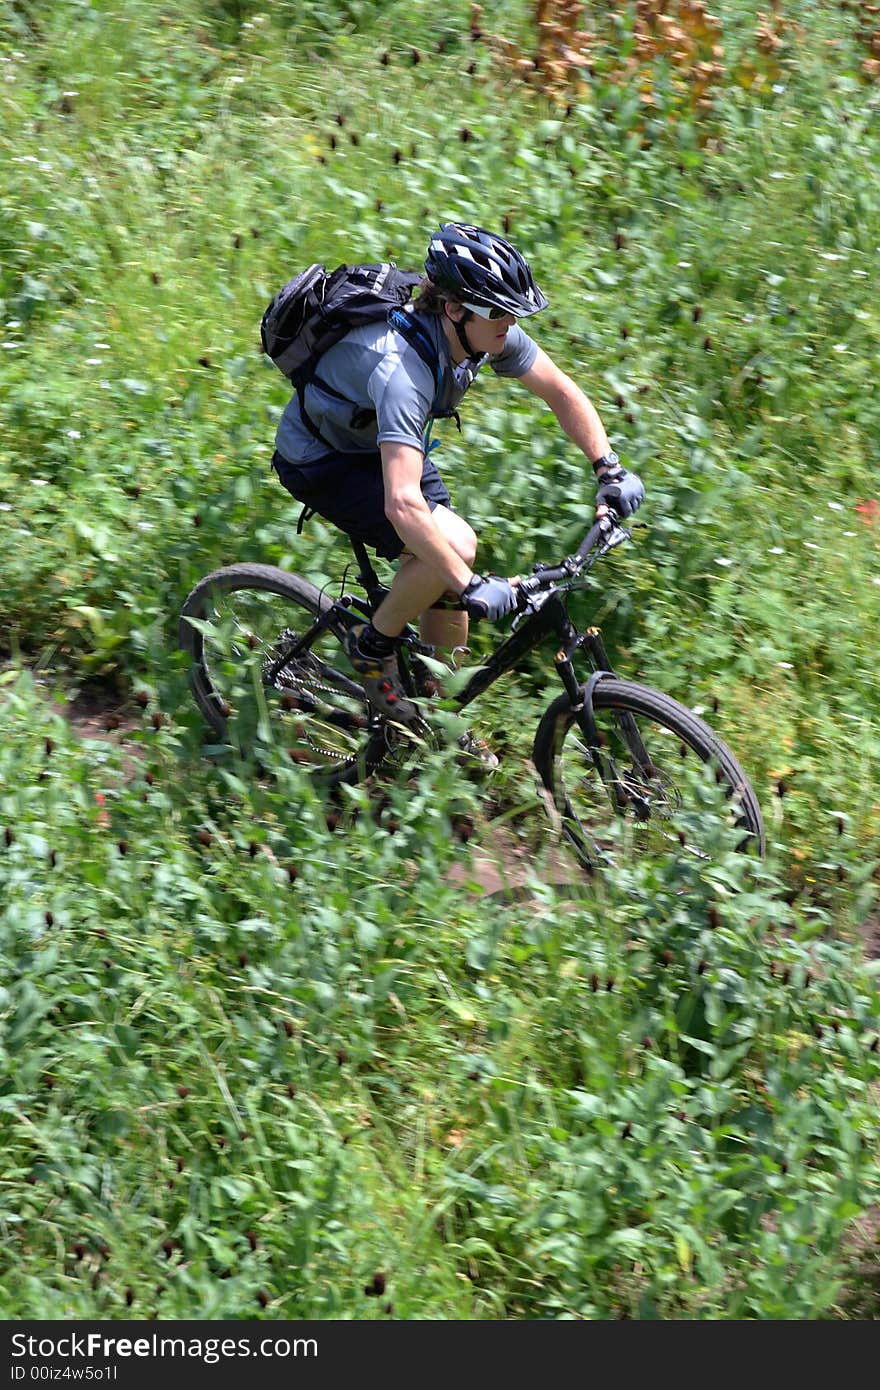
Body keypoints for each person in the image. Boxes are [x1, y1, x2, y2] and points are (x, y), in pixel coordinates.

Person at [271, 222, 644, 761]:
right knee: (453, 551)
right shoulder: (402, 373)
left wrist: (607, 467)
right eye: (499, 312)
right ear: (453, 309)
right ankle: (373, 649)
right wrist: (470, 584)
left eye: (513, 311)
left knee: (443, 562)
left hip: (380, 441)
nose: (510, 324)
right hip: (323, 459)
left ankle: (433, 718)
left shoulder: (483, 329)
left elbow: (560, 390)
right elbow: (402, 503)